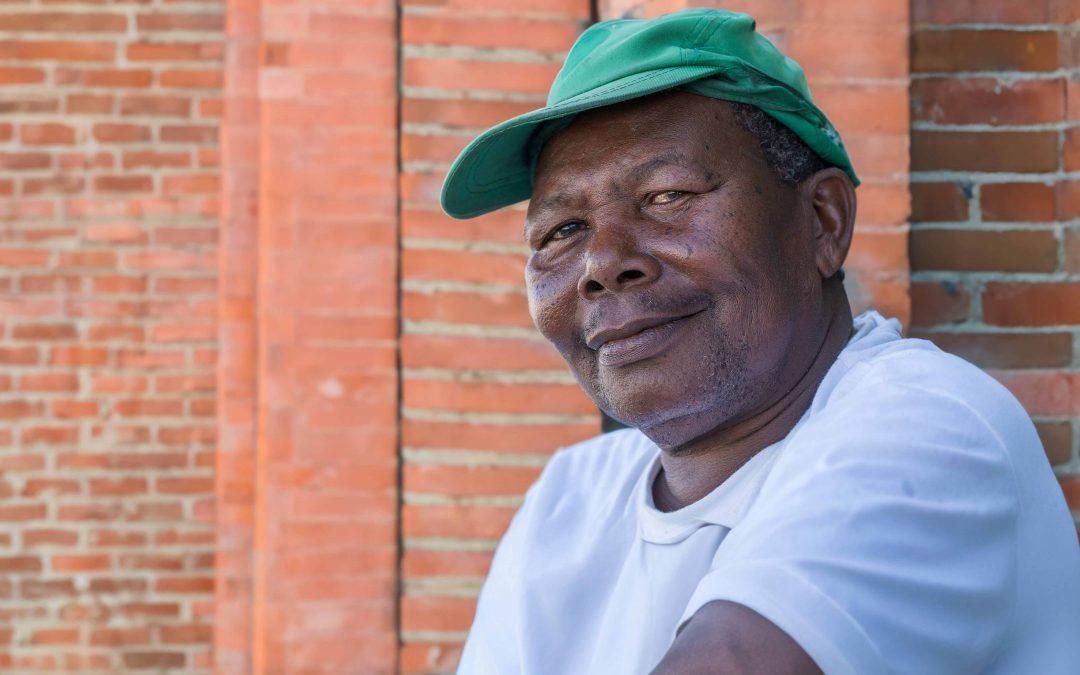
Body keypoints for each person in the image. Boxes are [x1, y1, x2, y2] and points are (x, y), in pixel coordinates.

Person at [439, 8, 1080, 674]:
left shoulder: (932, 427)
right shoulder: (568, 501)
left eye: (666, 195)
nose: (602, 263)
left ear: (823, 221)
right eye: (562, 231)